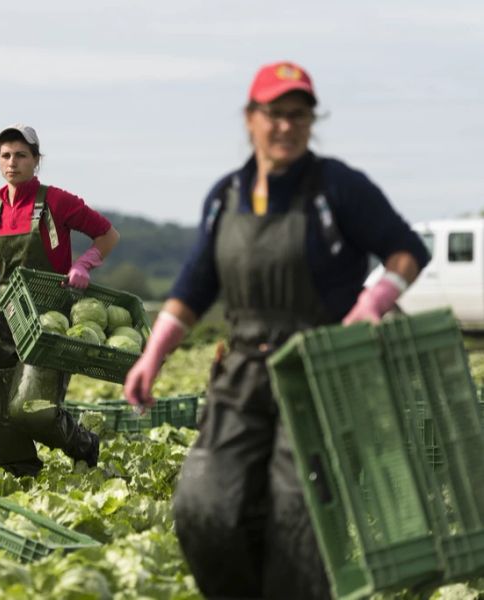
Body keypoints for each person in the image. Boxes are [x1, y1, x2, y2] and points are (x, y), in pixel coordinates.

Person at [124, 61, 430, 599]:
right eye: (275, 114)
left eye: (299, 115)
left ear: (311, 123)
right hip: (242, 372)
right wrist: (152, 356)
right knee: (202, 506)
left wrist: (372, 303)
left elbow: (408, 250)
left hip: (319, 375)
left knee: (296, 517)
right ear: (250, 119)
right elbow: (195, 287)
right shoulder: (226, 196)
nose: (286, 126)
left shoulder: (339, 188)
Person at [0, 124, 120, 477]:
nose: (12, 162)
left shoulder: (57, 202)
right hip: (10, 316)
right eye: (5, 155)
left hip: (50, 319)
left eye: (21, 155)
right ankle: (21, 473)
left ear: (36, 161)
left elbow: (107, 234)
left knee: (34, 408)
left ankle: (84, 444)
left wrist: (84, 263)